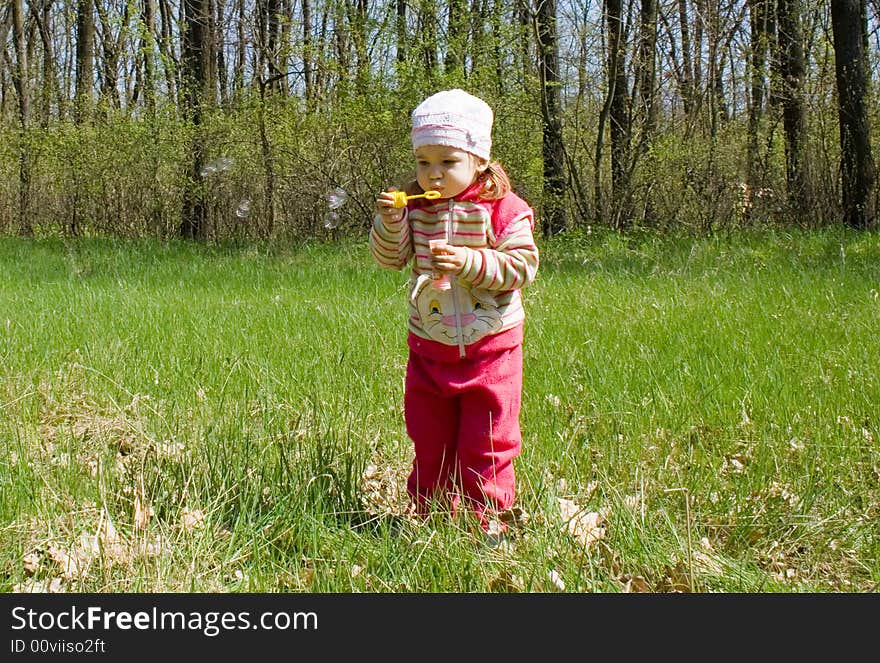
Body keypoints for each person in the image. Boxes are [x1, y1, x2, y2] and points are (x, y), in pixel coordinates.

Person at [369, 89, 540, 536]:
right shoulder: (416, 209)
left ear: (479, 160)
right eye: (423, 161)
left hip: (491, 347)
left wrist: (469, 262)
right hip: (430, 345)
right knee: (430, 439)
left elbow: (522, 266)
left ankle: (487, 523)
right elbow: (391, 258)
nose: (432, 175)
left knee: (486, 442)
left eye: (447, 162)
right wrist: (391, 224)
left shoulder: (505, 210)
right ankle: (430, 519)